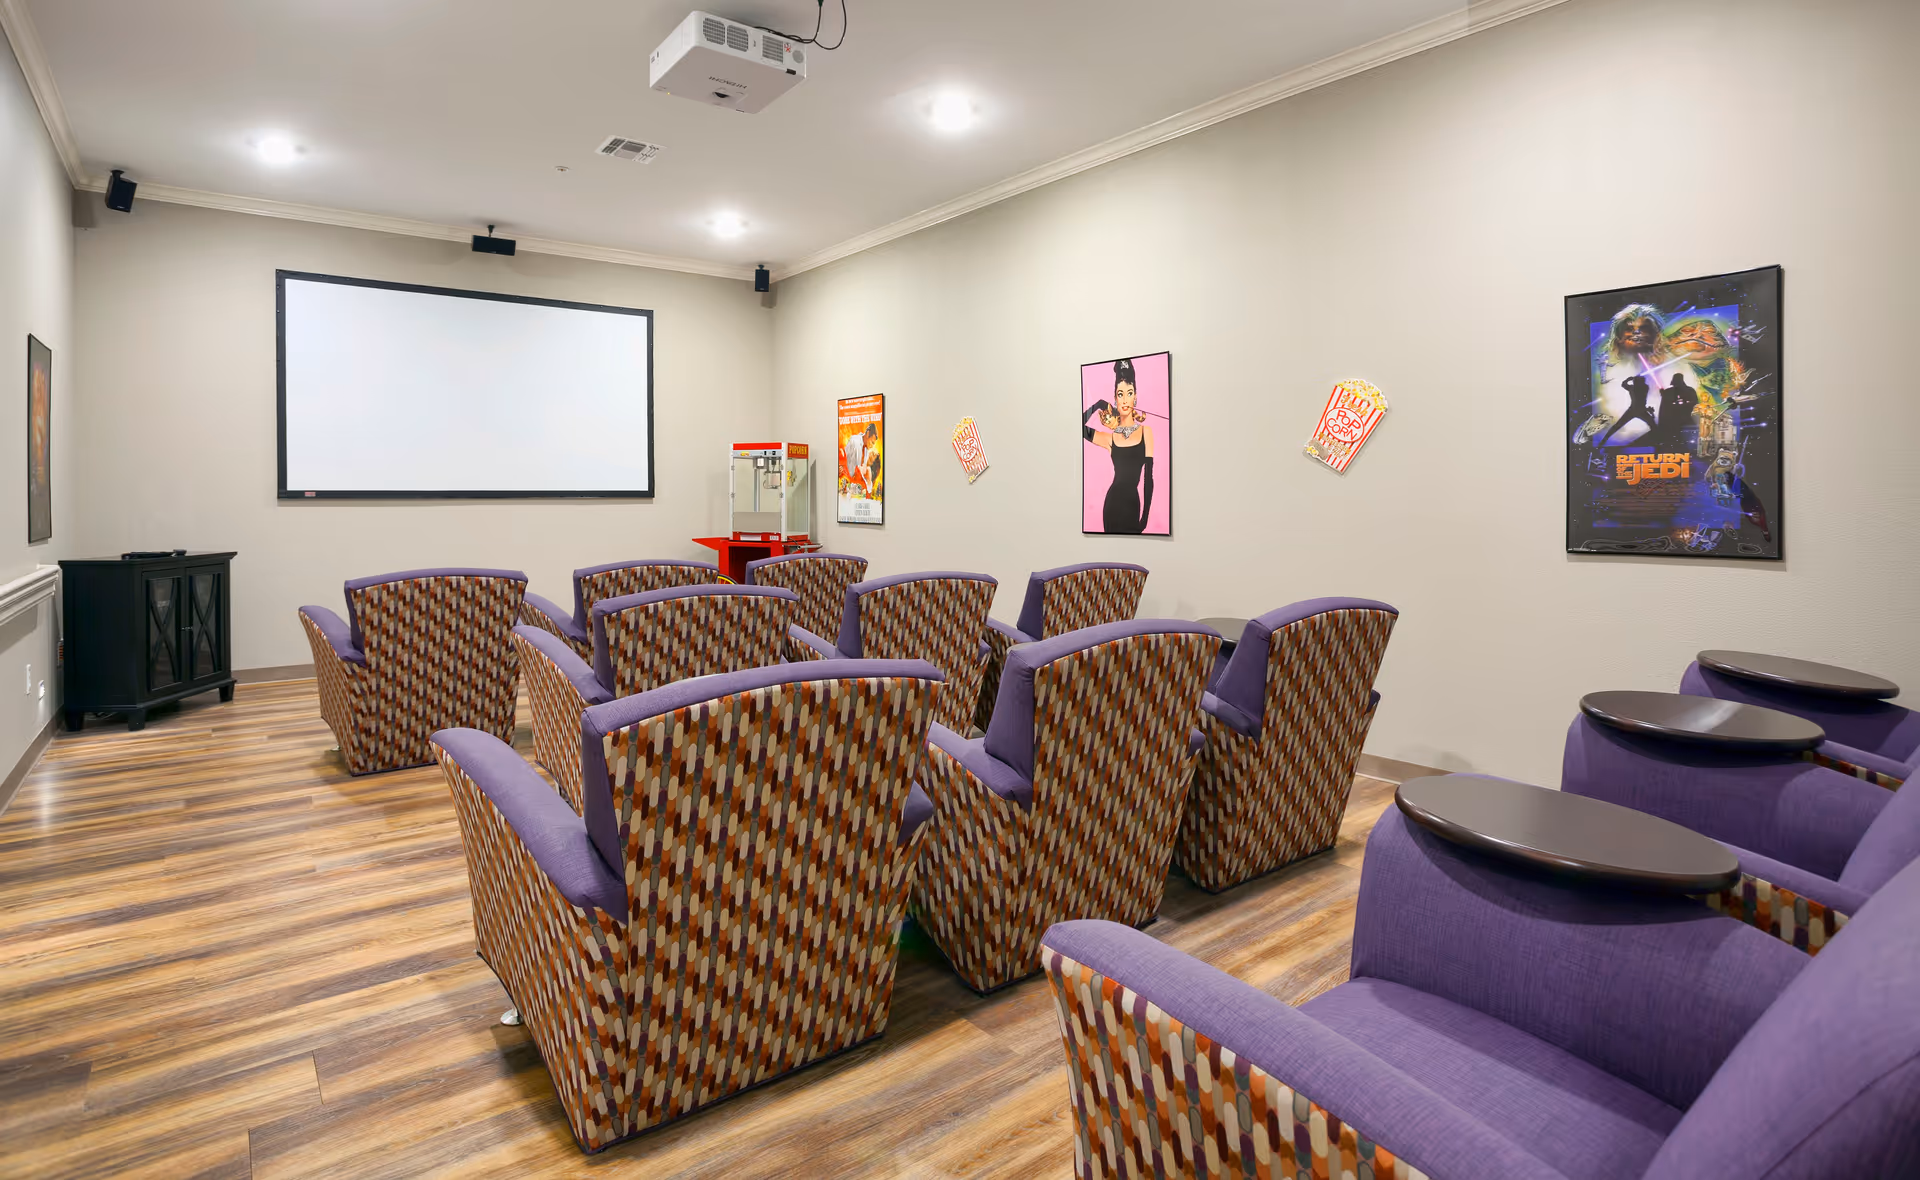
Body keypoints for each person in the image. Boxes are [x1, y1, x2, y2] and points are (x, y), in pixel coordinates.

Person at [1082, 358, 1156, 533]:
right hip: (1112, 505)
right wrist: (1097, 405)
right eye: (1120, 394)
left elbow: (1148, 480)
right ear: (1115, 399)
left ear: (1135, 397)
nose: (1124, 399)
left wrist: (1145, 518)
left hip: (1133, 505)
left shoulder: (1146, 432)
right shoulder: (1110, 438)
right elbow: (1080, 429)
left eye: (1129, 393)